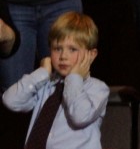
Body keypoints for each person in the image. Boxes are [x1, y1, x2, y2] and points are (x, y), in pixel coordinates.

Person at [2, 11, 109, 149]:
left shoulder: (97, 88)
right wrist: (41, 73)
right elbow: (10, 101)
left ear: (91, 54)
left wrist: (74, 78)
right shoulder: (45, 85)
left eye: (72, 49)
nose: (63, 56)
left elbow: (80, 116)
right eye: (57, 49)